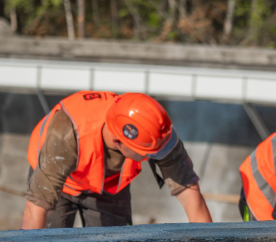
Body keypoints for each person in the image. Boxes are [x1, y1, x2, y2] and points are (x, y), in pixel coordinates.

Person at [21, 91, 212, 229]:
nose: (155, 157)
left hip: (109, 186)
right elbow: (35, 211)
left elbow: (190, 195)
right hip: (61, 183)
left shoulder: (155, 131)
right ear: (118, 141)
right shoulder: (67, 133)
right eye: (146, 153)